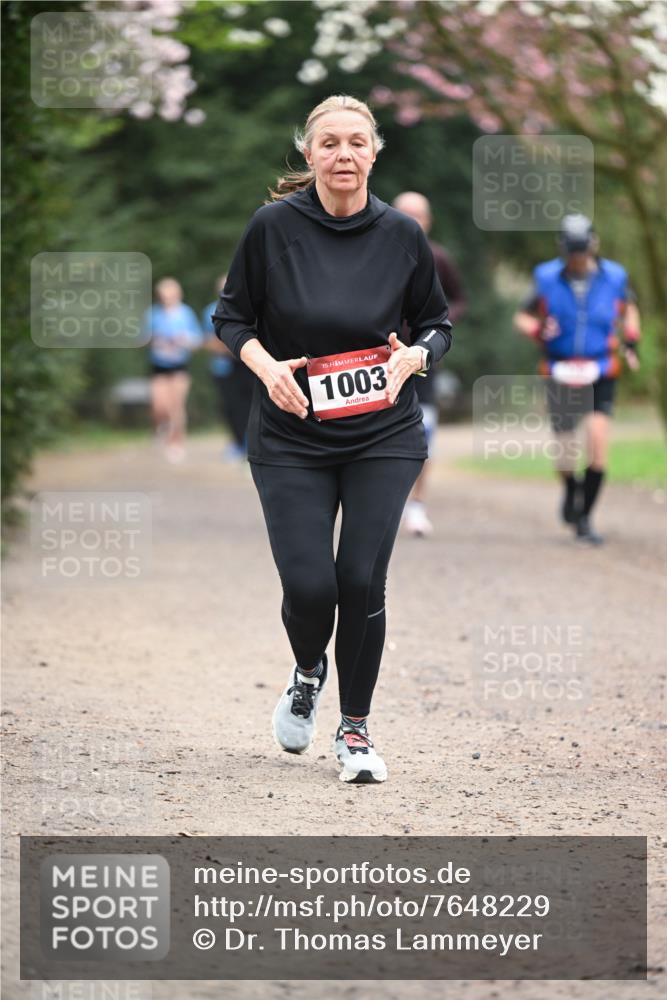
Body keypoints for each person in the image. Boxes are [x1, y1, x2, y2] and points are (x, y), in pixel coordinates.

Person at [212, 94, 453, 784]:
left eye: (356, 142)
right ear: (308, 153)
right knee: (310, 586)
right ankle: (307, 671)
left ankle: (354, 732)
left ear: (374, 152)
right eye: (329, 144)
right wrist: (265, 369)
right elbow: (231, 318)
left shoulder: (403, 234)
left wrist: (415, 356)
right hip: (292, 434)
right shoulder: (271, 228)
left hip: (384, 433)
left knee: (360, 577)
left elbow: (436, 323)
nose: (343, 154)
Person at [514, 214, 641, 544]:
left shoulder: (615, 276)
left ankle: (585, 518)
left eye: (582, 252)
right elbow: (523, 317)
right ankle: (571, 488)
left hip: (600, 368)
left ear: (593, 246)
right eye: (572, 253)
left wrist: (631, 342)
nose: (578, 259)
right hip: (560, 368)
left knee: (598, 444)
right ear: (563, 251)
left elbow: (630, 308)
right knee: (566, 450)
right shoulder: (546, 277)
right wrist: (538, 330)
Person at [392, 192, 467, 537]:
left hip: (422, 359)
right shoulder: (374, 252)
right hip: (378, 359)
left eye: (418, 215)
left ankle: (417, 507)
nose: (412, 221)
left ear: (428, 220)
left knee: (423, 434)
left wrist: (437, 326)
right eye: (405, 213)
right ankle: (383, 506)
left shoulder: (438, 257)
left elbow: (460, 299)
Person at [144, 277, 202, 463]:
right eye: (164, 296)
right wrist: (155, 340)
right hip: (158, 365)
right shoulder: (153, 314)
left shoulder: (186, 313)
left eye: (171, 295)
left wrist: (185, 340)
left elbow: (197, 340)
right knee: (159, 405)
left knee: (176, 406)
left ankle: (176, 443)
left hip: (179, 366)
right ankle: (160, 427)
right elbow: (142, 338)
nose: (168, 298)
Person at [202, 274, 255, 461]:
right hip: (224, 367)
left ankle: (251, 444)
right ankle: (238, 444)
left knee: (251, 406)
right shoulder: (210, 310)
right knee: (231, 407)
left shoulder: (248, 308)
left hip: (248, 366)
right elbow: (209, 341)